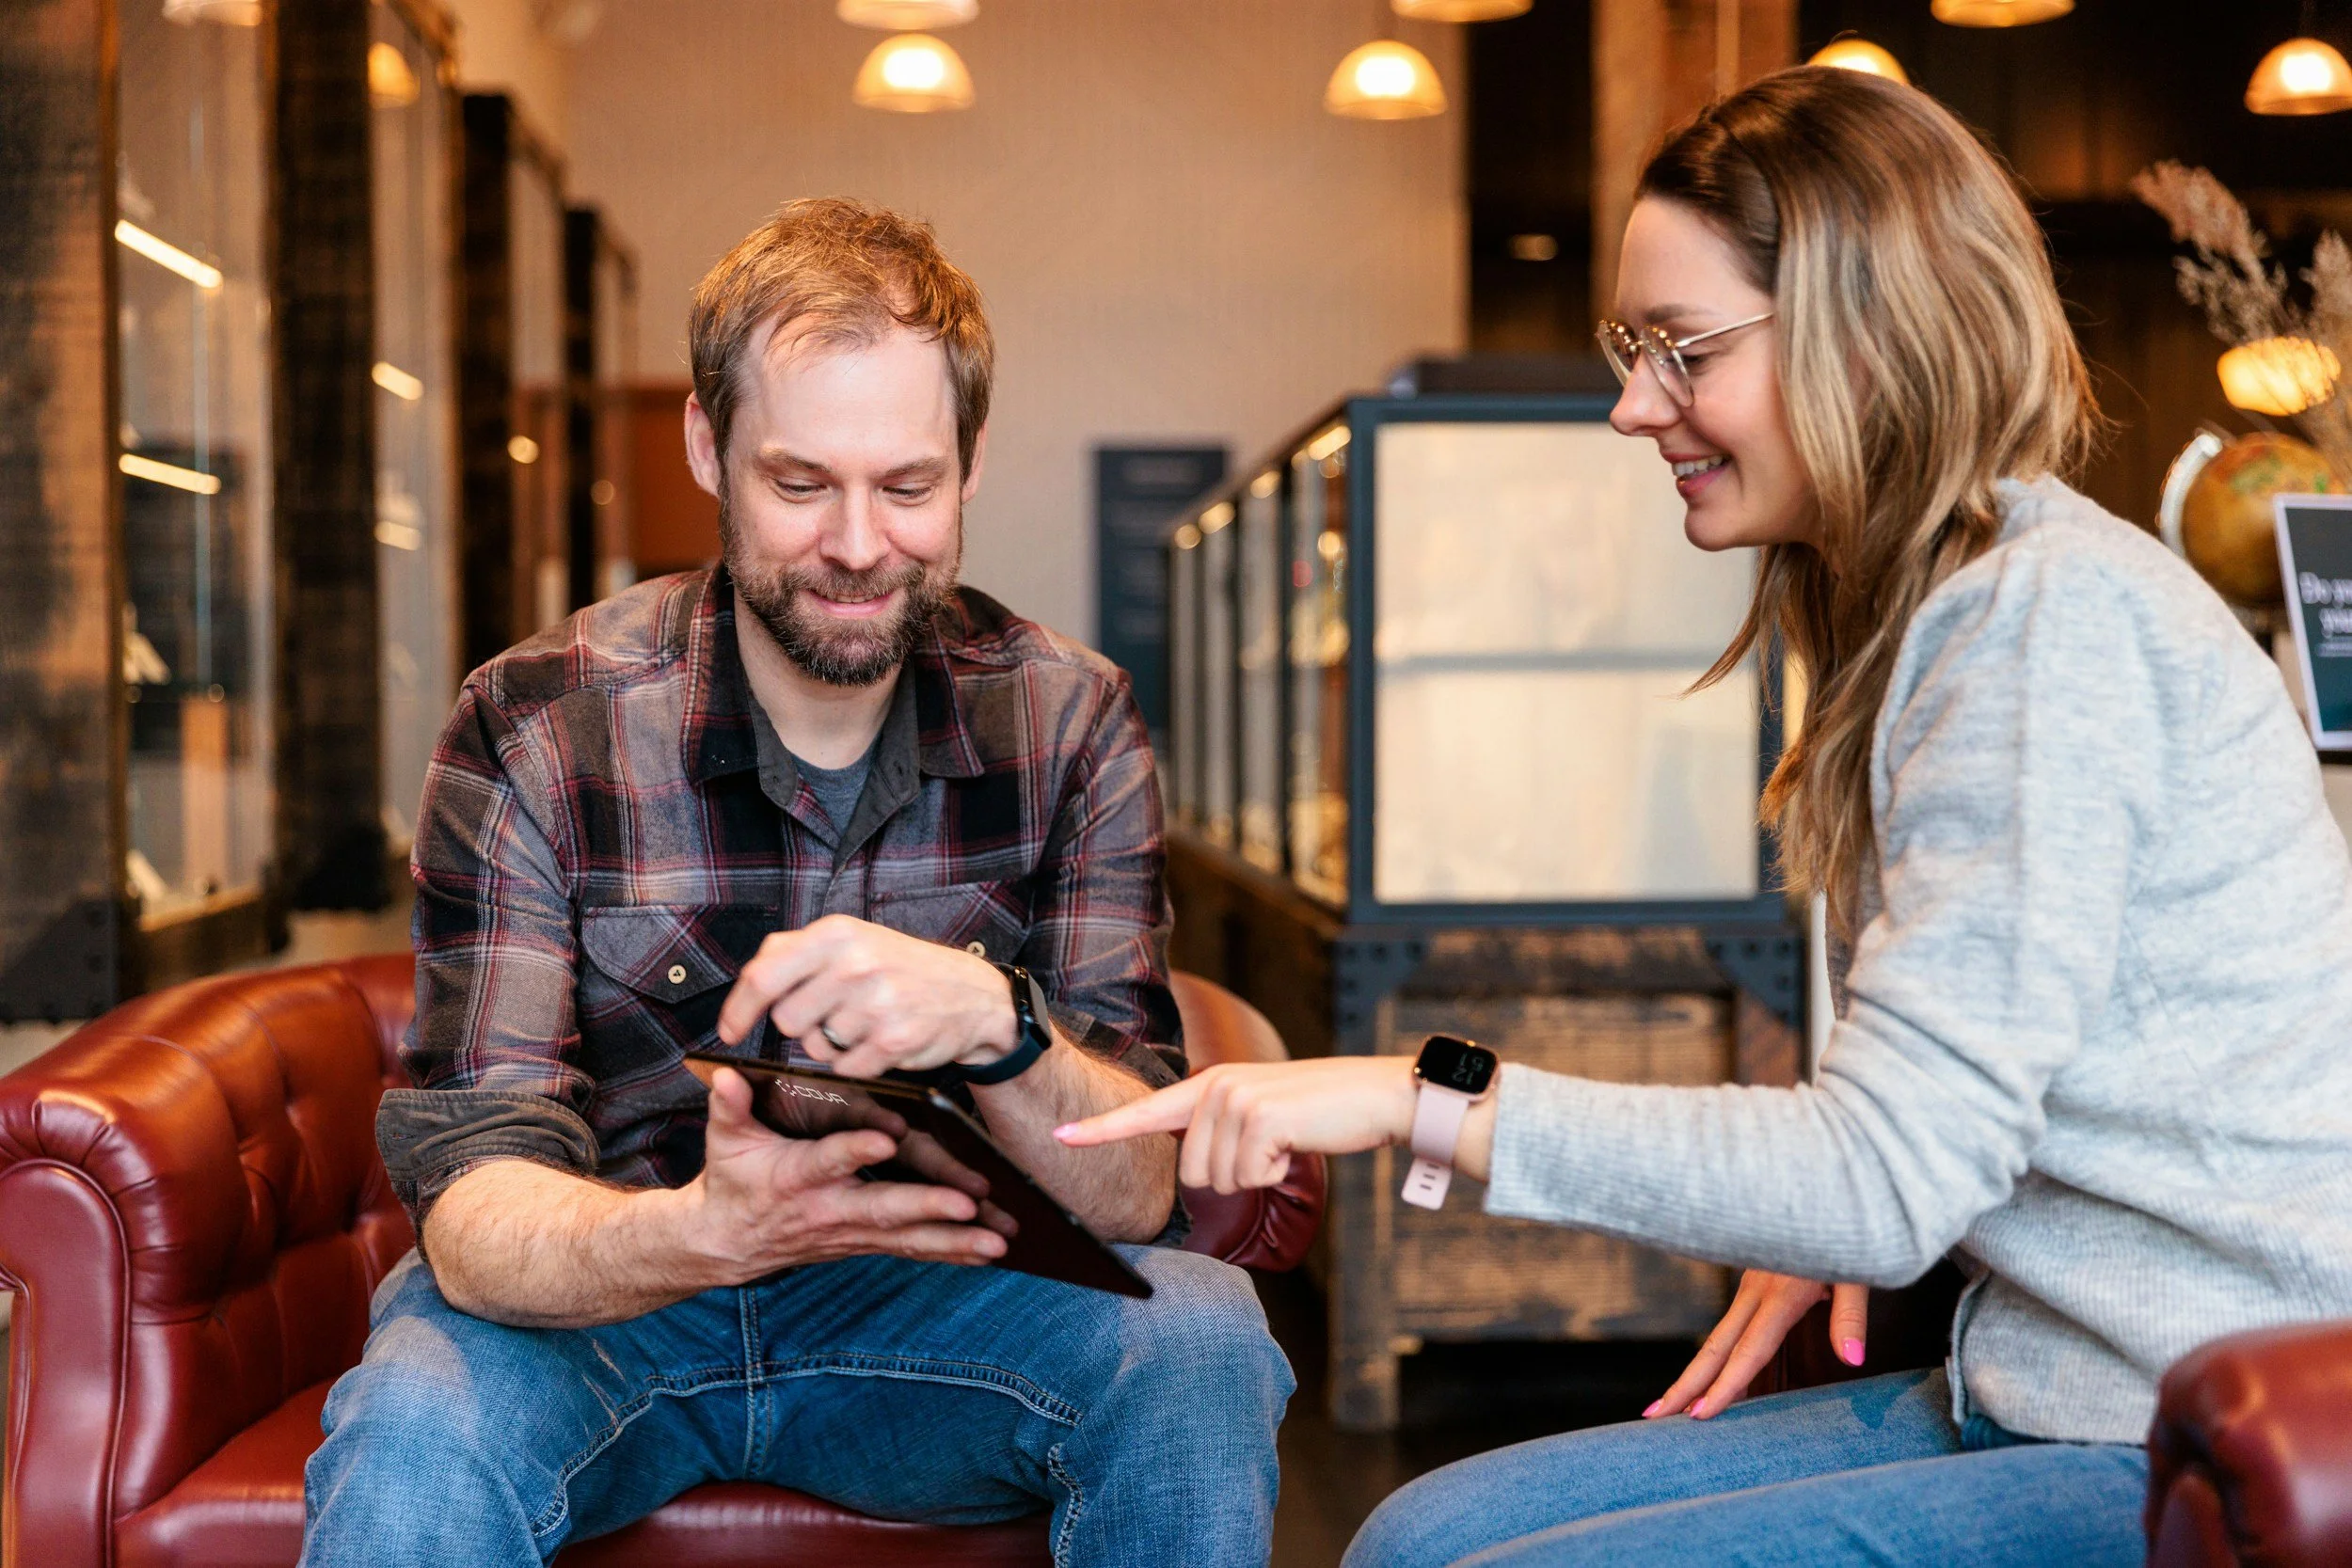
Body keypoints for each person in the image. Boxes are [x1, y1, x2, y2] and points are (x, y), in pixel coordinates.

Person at [1061, 66, 2352, 1566]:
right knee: (1420, 1533)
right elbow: (1949, 1119)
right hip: (2042, 1376)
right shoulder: (1944, 610)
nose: (1631, 407)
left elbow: (1880, 1173)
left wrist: (1419, 1091)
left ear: (1868, 330)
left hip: (2178, 1427)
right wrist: (1855, 1210)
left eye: (1681, 350)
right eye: (1632, 348)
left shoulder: (2039, 627)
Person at [301, 198, 1292, 1568]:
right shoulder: (537, 719)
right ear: (710, 447)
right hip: (610, 1298)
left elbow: (1134, 1202)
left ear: (971, 463)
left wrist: (1003, 1028)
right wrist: (707, 1231)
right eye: (800, 482)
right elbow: (475, 1204)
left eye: (907, 485)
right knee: (416, 1419)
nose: (859, 544)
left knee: (1201, 1341)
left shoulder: (1073, 722)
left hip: (937, 1312)